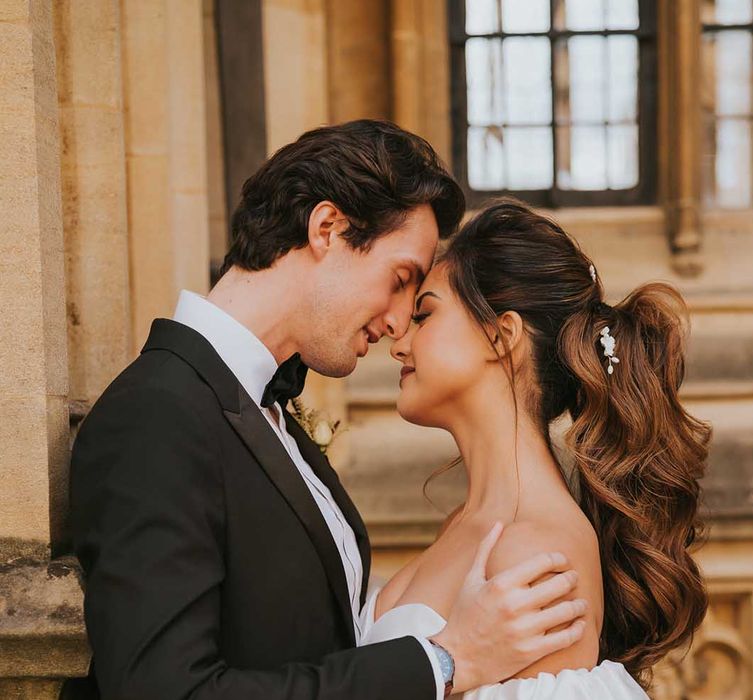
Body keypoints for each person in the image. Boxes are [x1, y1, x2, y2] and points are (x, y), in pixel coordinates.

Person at [67, 121, 587, 700]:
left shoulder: (268, 416)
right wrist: (439, 664)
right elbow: (162, 692)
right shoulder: (156, 417)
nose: (396, 323)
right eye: (400, 279)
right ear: (328, 228)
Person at [365, 199, 712, 697]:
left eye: (424, 315)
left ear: (501, 335)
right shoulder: (466, 524)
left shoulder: (539, 554)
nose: (399, 342)